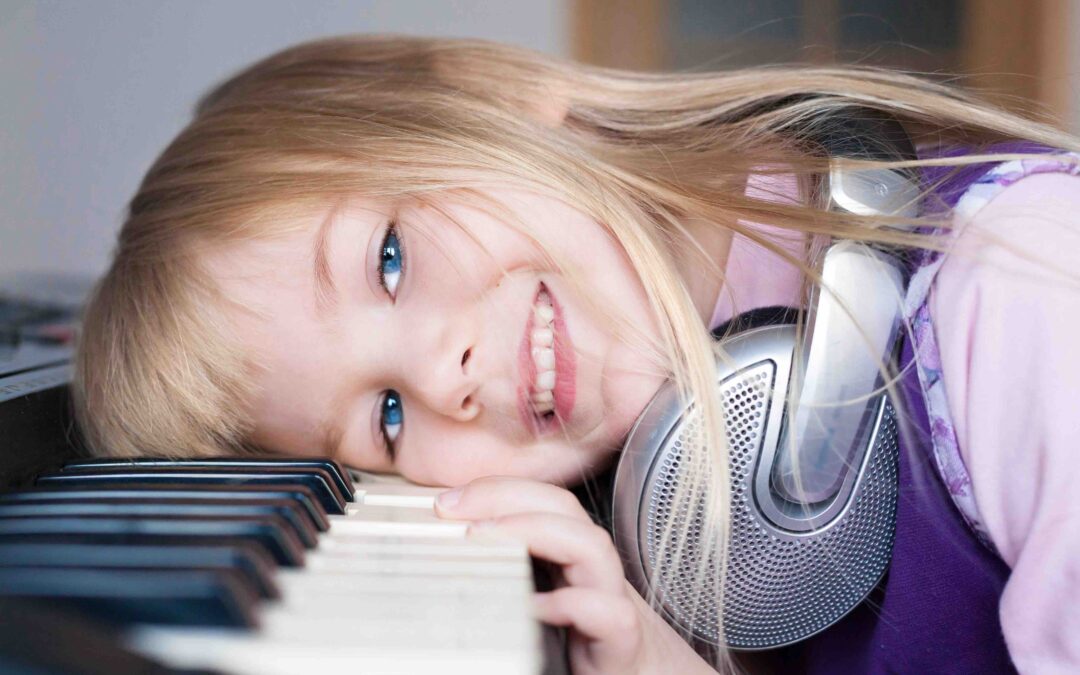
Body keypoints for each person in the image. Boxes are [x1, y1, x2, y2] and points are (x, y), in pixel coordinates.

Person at [73, 35, 1080, 674]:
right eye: (385, 417)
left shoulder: (1020, 290)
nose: (442, 374)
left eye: (387, 260)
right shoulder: (669, 517)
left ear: (505, 97)